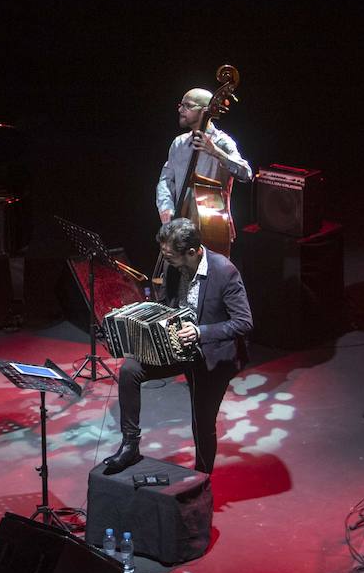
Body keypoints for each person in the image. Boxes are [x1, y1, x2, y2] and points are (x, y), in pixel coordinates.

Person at [103, 219, 253, 475]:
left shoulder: (224, 271)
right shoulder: (174, 267)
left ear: (192, 252)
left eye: (170, 256)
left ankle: (202, 478)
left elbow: (243, 322)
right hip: (176, 346)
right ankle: (130, 445)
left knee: (202, 422)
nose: (165, 260)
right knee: (130, 370)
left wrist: (199, 332)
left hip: (212, 354)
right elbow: (166, 305)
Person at [155, 87, 252, 224]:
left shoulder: (222, 142)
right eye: (181, 105)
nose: (180, 110)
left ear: (205, 110)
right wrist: (166, 207)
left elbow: (246, 173)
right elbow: (166, 180)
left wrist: (216, 152)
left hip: (213, 225)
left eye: (187, 106)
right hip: (181, 222)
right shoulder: (179, 143)